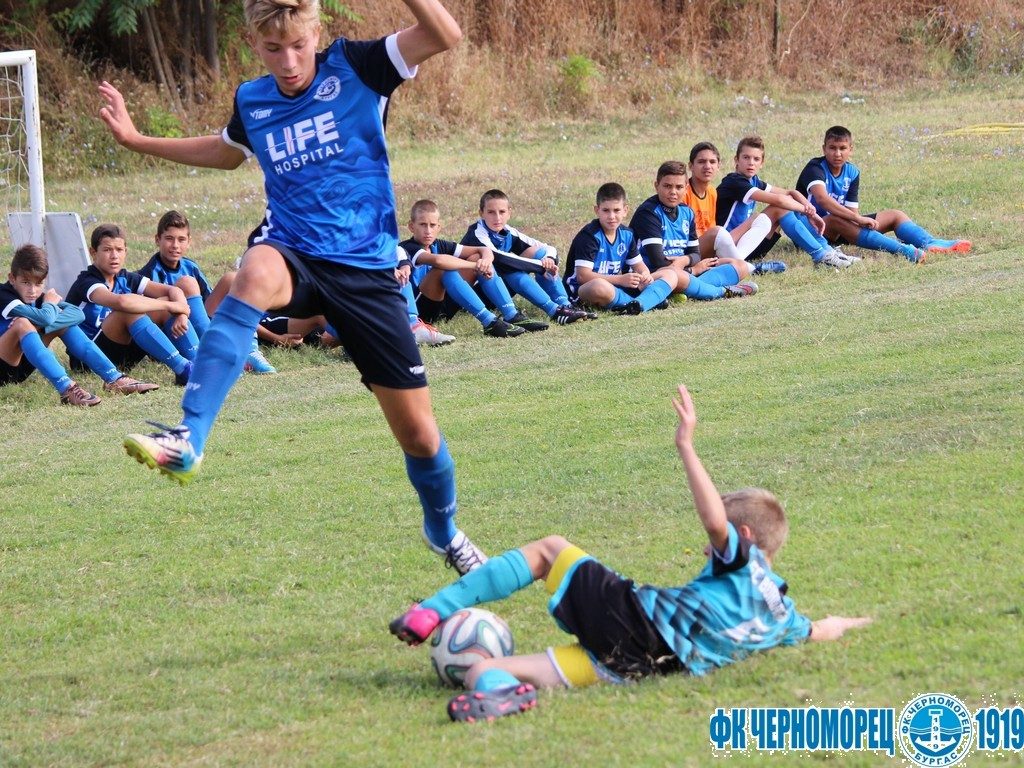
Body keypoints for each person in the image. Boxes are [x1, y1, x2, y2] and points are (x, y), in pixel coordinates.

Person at [98, 0, 488, 573]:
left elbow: (444, 33)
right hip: (294, 252)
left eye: (299, 46)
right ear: (254, 45)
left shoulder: (359, 66)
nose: (288, 61)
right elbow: (226, 151)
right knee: (250, 274)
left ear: (316, 34)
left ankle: (445, 531)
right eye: (273, 49)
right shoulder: (253, 100)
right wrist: (139, 141)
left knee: (422, 438)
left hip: (365, 273)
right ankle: (189, 437)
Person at [391, 384, 872, 723]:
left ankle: (432, 611)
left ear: (743, 534)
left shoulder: (742, 561)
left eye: (723, 533)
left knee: (549, 550)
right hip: (639, 667)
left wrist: (686, 444)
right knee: (482, 670)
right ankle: (502, 697)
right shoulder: (784, 615)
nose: (710, 542)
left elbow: (712, 520)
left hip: (636, 620)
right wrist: (861, 622)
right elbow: (824, 628)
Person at [0, 244, 158, 405]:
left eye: (38, 283)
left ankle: (114, 378)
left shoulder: (38, 298)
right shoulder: (4, 294)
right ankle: (67, 389)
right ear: (12, 278)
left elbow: (77, 314)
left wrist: (41, 321)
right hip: (2, 368)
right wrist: (48, 308)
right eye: (26, 282)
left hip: (20, 368)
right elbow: (46, 318)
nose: (33, 290)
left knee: (63, 325)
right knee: (22, 324)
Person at [795, 126, 971, 262]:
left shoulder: (852, 172)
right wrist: (858, 220)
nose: (837, 153)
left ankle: (929, 242)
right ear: (824, 148)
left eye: (843, 148)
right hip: (810, 232)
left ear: (851, 149)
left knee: (895, 215)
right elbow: (822, 200)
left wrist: (858, 220)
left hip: (840, 228)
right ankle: (904, 251)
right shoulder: (815, 168)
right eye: (832, 148)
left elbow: (851, 211)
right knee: (835, 219)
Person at [140, 211, 278, 373]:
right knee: (186, 284)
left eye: (181, 239)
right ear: (158, 240)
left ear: (189, 242)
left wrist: (274, 337)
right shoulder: (149, 274)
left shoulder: (190, 266)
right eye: (169, 239)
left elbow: (210, 308)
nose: (175, 245)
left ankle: (250, 351)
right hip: (176, 334)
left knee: (232, 279)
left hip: (199, 326)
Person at [65, 224, 197, 385]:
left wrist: (181, 313)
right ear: (93, 253)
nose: (114, 256)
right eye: (107, 250)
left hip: (121, 355)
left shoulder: (125, 277)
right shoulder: (87, 281)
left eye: (119, 250)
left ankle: (198, 364)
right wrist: (171, 306)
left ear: (125, 252)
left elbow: (173, 291)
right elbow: (122, 302)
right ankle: (183, 368)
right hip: (88, 360)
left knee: (165, 302)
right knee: (129, 310)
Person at [716, 136, 853, 269]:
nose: (751, 162)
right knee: (780, 208)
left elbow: (790, 193)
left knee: (787, 207)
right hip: (727, 247)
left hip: (746, 246)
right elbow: (780, 200)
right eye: (746, 158)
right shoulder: (734, 182)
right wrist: (807, 211)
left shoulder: (754, 181)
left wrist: (810, 210)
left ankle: (827, 251)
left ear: (762, 163)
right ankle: (821, 256)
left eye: (756, 159)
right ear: (736, 160)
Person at [461, 189, 592, 328]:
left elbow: (548, 249)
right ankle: (550, 311)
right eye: (491, 212)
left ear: (509, 212)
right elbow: (500, 258)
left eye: (502, 212)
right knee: (510, 268)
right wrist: (541, 267)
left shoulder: (508, 231)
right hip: (472, 296)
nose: (497, 217)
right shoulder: (477, 233)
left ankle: (565, 305)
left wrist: (548, 260)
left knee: (539, 253)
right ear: (481, 213)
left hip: (497, 289)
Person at [629, 162, 758, 300]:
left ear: (686, 188)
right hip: (656, 276)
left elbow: (695, 254)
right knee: (674, 274)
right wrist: (693, 270)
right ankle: (720, 292)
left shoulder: (687, 212)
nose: (673, 192)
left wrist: (684, 260)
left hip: (683, 272)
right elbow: (658, 263)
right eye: (667, 186)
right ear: (656, 186)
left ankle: (688, 290)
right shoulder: (648, 213)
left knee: (740, 265)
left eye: (679, 187)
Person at [399, 199, 524, 338]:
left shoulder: (438, 244)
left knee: (477, 257)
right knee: (444, 269)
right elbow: (439, 261)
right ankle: (491, 322)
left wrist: (486, 262)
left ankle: (511, 314)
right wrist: (475, 266)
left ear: (439, 227)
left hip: (443, 307)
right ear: (411, 226)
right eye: (423, 225)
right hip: (421, 312)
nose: (428, 231)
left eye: (432, 225)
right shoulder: (407, 248)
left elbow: (483, 249)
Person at [563, 182, 678, 314]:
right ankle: (645, 302)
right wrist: (621, 280)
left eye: (616, 210)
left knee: (670, 274)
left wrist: (645, 276)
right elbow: (583, 277)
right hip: (583, 291)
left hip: (614, 287)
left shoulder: (627, 234)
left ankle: (639, 304)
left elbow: (640, 266)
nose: (611, 216)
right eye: (606, 210)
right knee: (599, 286)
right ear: (597, 210)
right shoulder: (589, 236)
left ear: (625, 210)